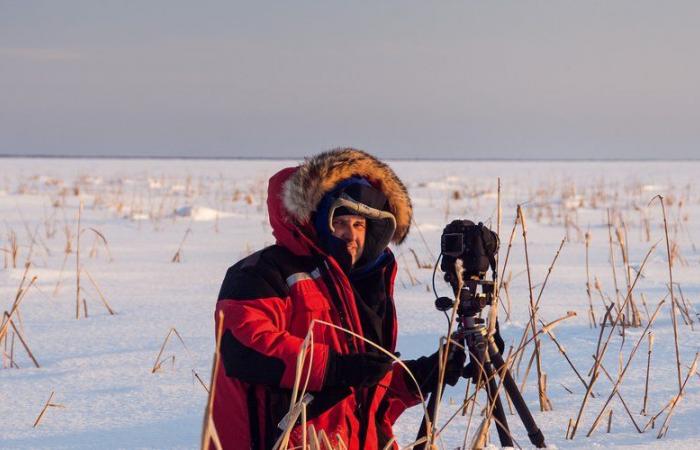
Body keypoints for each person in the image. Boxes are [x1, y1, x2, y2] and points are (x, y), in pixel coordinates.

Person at [210, 148, 465, 449]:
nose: (351, 235)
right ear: (316, 219)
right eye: (341, 222)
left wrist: (420, 376)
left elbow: (366, 395)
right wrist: (335, 368)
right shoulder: (261, 272)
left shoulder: (363, 284)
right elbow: (245, 346)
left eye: (360, 225)